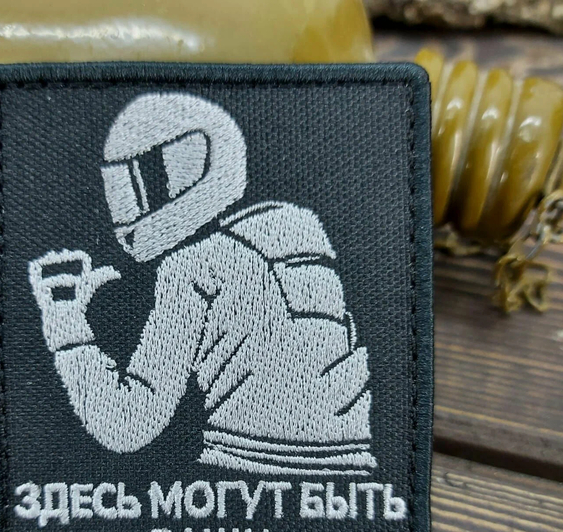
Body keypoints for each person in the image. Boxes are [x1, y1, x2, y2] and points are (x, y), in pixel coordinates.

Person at [29, 93, 375, 476]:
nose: (132, 208)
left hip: (240, 469)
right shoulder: (301, 230)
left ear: (204, 158)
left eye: (154, 177)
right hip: (348, 468)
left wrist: (66, 325)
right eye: (122, 186)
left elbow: (127, 424)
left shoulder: (193, 266)